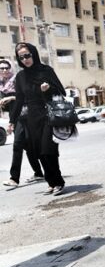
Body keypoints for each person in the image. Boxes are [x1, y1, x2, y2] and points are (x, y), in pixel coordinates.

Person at [8, 43, 66, 196]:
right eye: (21, 57)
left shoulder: (46, 70)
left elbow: (61, 91)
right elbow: (19, 100)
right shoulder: (20, 77)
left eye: (27, 55)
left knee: (49, 149)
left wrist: (48, 89)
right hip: (32, 118)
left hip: (48, 114)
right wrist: (12, 121)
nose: (25, 59)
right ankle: (51, 182)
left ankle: (59, 181)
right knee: (39, 152)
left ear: (33, 54)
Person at [1, 59, 44, 188]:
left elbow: (27, 96)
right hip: (15, 117)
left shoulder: (18, 79)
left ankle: (14, 178)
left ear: (11, 67)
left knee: (18, 144)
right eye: (1, 68)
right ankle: (39, 173)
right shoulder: (1, 84)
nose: (4, 70)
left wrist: (11, 98)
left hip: (27, 114)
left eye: (6, 67)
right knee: (28, 147)